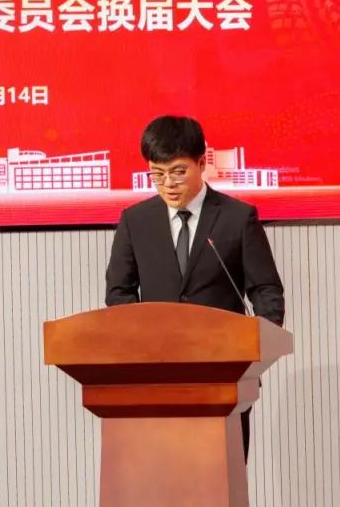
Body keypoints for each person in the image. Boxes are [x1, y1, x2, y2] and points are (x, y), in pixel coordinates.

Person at [104, 115, 286, 459]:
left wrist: (257, 348)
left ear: (202, 164)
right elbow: (118, 292)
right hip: (157, 375)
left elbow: (266, 290)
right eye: (157, 174)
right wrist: (141, 341)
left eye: (178, 172)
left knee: (223, 474)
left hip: (225, 375)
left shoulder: (237, 217)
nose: (168, 184)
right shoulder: (135, 221)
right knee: (164, 476)